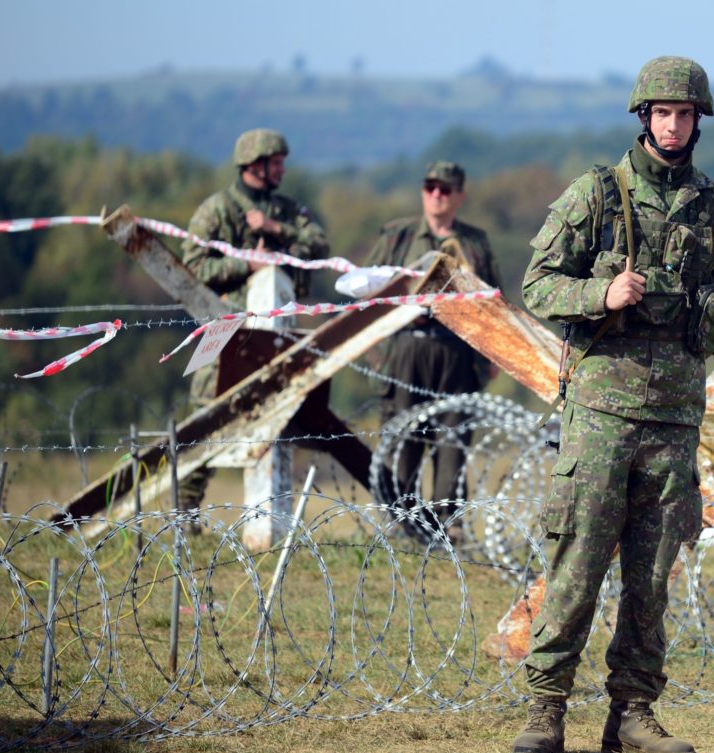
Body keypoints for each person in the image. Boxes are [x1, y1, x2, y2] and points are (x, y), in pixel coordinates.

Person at [511, 56, 714, 753]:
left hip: (674, 418)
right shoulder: (595, 195)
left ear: (697, 123)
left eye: (686, 115)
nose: (674, 126)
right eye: (664, 114)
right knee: (578, 563)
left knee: (650, 577)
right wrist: (600, 297)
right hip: (601, 413)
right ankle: (547, 708)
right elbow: (538, 283)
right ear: (643, 117)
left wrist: (704, 319)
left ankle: (634, 713)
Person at [178, 128, 329, 529]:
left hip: (276, 329)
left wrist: (277, 230)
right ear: (253, 165)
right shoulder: (217, 211)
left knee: (276, 416)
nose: (281, 169)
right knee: (205, 414)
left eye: (281, 162)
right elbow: (191, 269)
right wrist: (247, 264)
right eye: (275, 163)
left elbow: (317, 245)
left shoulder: (287, 209)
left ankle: (267, 516)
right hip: (223, 326)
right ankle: (185, 512)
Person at [365, 161, 500, 537]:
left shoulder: (474, 242)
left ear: (460, 195)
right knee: (405, 436)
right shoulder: (398, 237)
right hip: (409, 346)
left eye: (445, 188)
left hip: (456, 349)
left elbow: (493, 301)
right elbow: (365, 293)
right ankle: (401, 520)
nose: (436, 194)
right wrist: (378, 357)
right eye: (430, 187)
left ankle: (448, 524)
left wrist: (493, 355)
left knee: (453, 438)